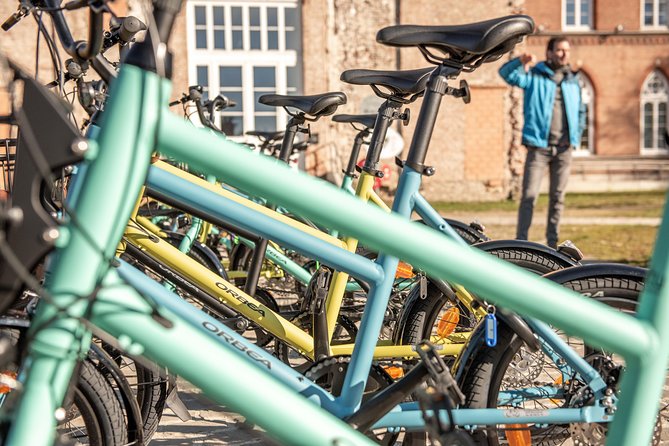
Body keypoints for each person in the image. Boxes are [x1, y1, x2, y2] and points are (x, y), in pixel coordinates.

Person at [499, 36, 585, 249]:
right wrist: (520, 60)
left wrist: (577, 134)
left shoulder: (572, 81)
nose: (564, 54)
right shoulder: (534, 77)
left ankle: (553, 243)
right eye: (559, 50)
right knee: (529, 196)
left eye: (566, 50)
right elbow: (506, 74)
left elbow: (581, 111)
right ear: (549, 53)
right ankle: (521, 243)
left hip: (564, 148)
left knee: (558, 197)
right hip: (539, 147)